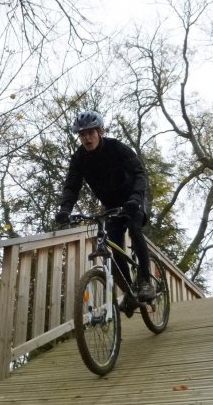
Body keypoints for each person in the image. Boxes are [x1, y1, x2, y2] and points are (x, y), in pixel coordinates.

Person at [55, 110, 155, 314]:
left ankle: (145, 281)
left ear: (100, 132)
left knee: (135, 230)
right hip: (110, 205)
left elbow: (139, 173)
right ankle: (129, 292)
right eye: (82, 135)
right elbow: (71, 186)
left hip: (134, 198)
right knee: (113, 243)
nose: (86, 138)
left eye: (90, 133)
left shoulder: (117, 148)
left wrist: (135, 199)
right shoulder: (79, 158)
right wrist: (65, 209)